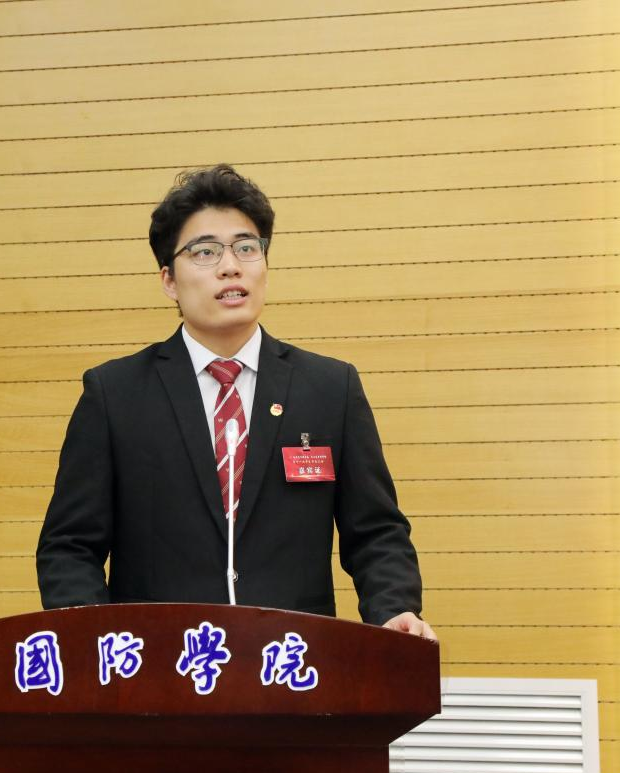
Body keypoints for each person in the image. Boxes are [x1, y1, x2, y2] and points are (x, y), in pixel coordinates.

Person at [36, 164, 435, 639]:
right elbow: (70, 546)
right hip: (160, 663)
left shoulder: (330, 388)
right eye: (205, 251)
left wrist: (393, 609)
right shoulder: (115, 394)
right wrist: (95, 638)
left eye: (246, 247)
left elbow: (375, 533)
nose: (230, 265)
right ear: (168, 280)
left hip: (290, 661)